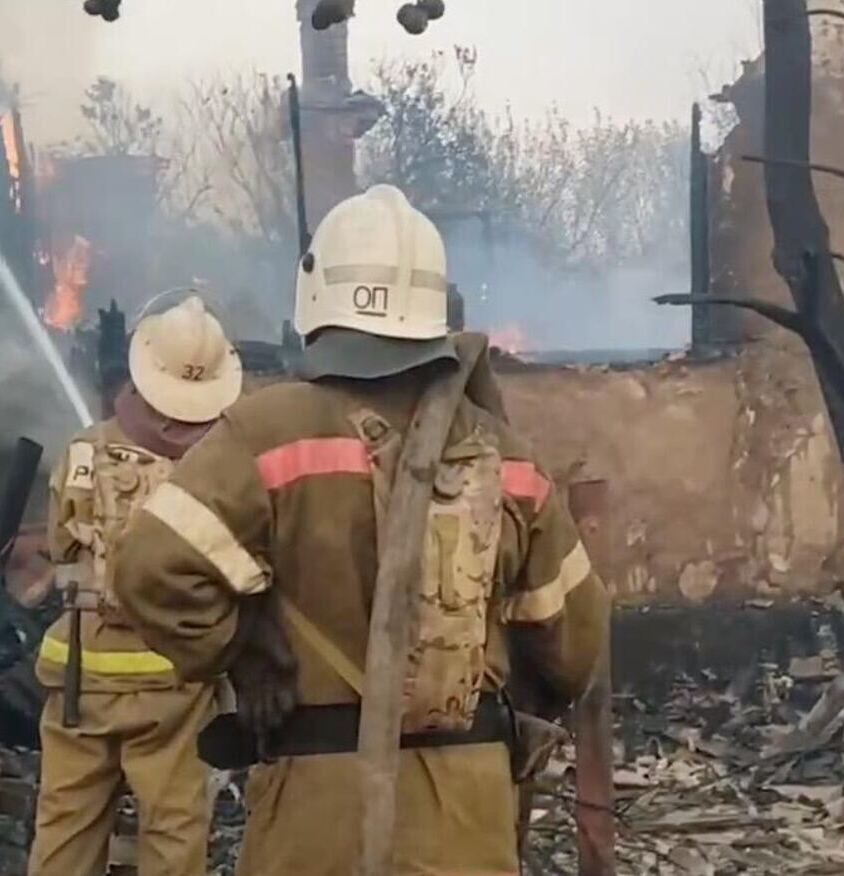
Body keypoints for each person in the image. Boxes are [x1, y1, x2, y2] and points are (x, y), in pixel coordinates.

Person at [114, 185, 611, 875]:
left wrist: (242, 646)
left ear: (316, 299)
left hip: (317, 813)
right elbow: (575, 644)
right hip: (467, 817)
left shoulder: (265, 433)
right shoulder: (508, 458)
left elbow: (149, 567)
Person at [28, 293, 242, 876]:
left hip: (81, 675)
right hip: (175, 678)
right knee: (174, 828)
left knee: (65, 825)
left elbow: (61, 550)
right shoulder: (224, 466)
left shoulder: (81, 450)